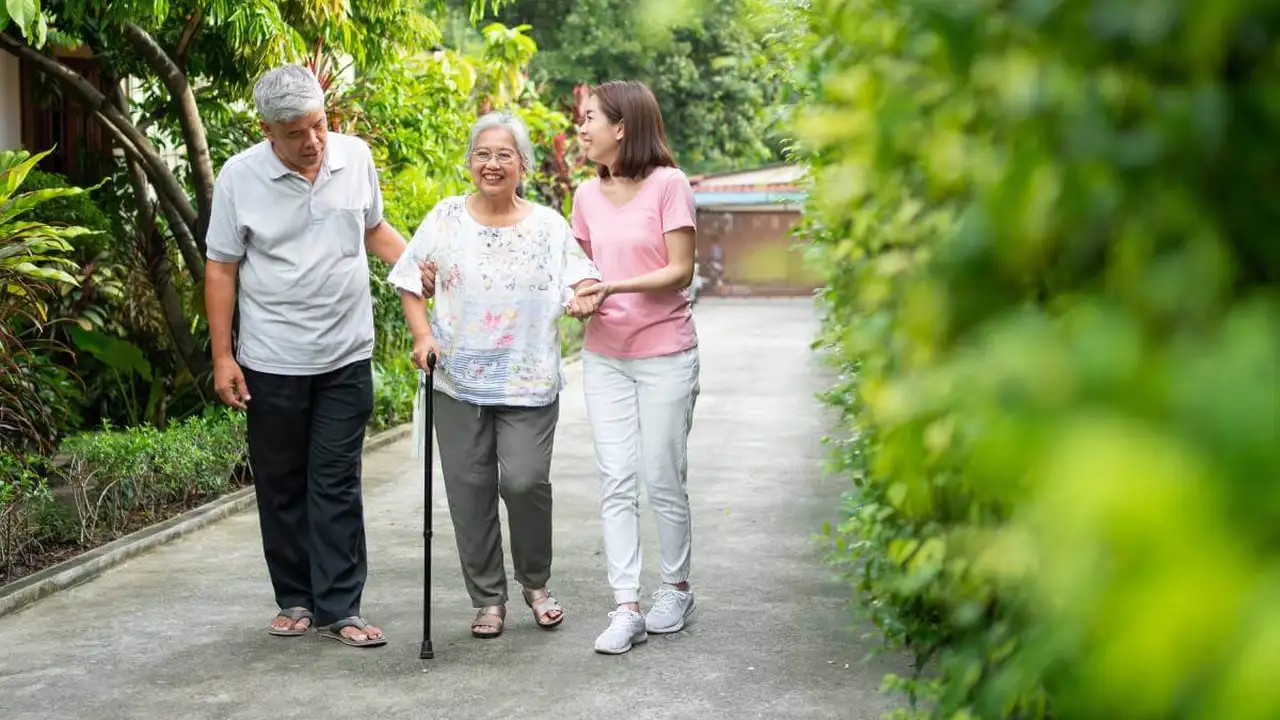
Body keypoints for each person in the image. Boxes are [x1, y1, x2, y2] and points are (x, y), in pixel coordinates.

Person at [205, 64, 421, 648]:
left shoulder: (355, 159)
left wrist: (424, 270)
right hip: (271, 359)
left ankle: (342, 605)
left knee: (336, 481)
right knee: (280, 483)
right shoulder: (239, 177)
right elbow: (222, 267)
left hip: (346, 354)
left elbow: (374, 230)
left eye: (320, 125)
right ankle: (295, 599)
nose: (313, 142)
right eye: (296, 132)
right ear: (267, 130)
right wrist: (223, 356)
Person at [387, 111, 602, 639]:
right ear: (468, 162)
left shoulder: (549, 226)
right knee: (469, 489)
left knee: (526, 482)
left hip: (528, 382)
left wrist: (581, 299)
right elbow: (411, 280)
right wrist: (422, 336)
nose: (492, 163)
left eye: (505, 154)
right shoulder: (445, 218)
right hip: (457, 381)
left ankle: (535, 582)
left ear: (523, 164)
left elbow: (587, 278)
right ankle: (488, 598)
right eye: (483, 153)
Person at [568, 80, 701, 655]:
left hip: (666, 353)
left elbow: (680, 271)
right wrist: (577, 297)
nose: (581, 126)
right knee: (616, 479)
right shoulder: (584, 195)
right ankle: (626, 604)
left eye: (590, 117)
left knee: (661, 474)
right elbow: (577, 266)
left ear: (622, 126)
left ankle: (675, 587)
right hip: (605, 357)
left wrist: (613, 285)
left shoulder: (669, 185)